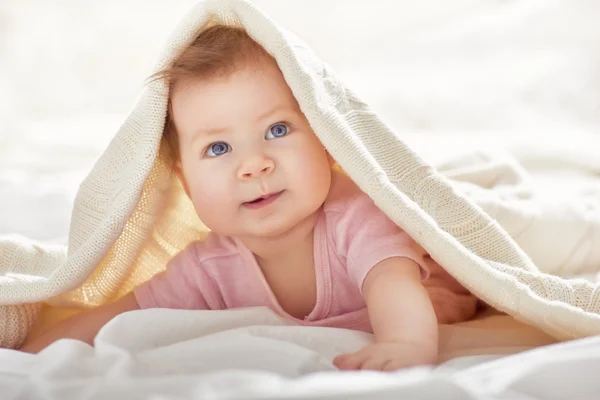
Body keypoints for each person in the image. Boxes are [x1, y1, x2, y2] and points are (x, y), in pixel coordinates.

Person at [20, 25, 478, 370]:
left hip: (419, 270)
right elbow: (118, 315)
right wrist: (30, 358)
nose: (254, 164)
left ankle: (439, 288)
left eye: (277, 130)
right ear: (186, 182)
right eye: (218, 148)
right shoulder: (207, 269)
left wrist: (406, 345)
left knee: (434, 277)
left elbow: (391, 284)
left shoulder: (355, 216)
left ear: (325, 140)